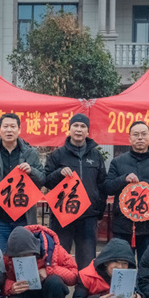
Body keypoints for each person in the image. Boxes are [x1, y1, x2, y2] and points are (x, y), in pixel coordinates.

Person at [104, 121, 149, 261]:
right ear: (129, 138)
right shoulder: (117, 162)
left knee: (148, 265)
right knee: (122, 265)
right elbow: (107, 187)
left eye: (143, 134)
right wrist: (123, 179)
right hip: (123, 226)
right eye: (136, 134)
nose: (140, 138)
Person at [44, 113, 107, 270]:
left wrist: (99, 212)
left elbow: (102, 185)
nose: (79, 129)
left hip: (88, 216)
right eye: (76, 126)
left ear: (88, 131)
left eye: (83, 126)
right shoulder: (57, 154)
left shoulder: (96, 155)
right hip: (62, 216)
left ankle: (83, 286)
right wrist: (59, 173)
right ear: (69, 129)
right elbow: (46, 181)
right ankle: (61, 285)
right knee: (60, 258)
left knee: (87, 262)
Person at [0, 113, 46, 253]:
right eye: (5, 126)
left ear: (19, 130)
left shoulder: (30, 153)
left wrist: (32, 171)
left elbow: (42, 179)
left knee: (25, 255)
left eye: (12, 126)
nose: (9, 130)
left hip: (24, 217)